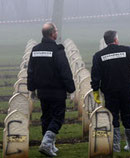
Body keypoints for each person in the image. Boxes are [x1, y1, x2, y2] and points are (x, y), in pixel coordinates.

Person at [27, 22, 75, 157]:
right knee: (58, 117)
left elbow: (30, 70)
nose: (57, 33)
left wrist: (31, 88)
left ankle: (50, 145)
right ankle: (47, 143)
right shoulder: (57, 50)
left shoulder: (35, 49)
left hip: (42, 91)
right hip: (57, 91)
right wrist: (71, 89)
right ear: (52, 34)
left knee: (46, 117)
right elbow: (64, 71)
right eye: (56, 31)